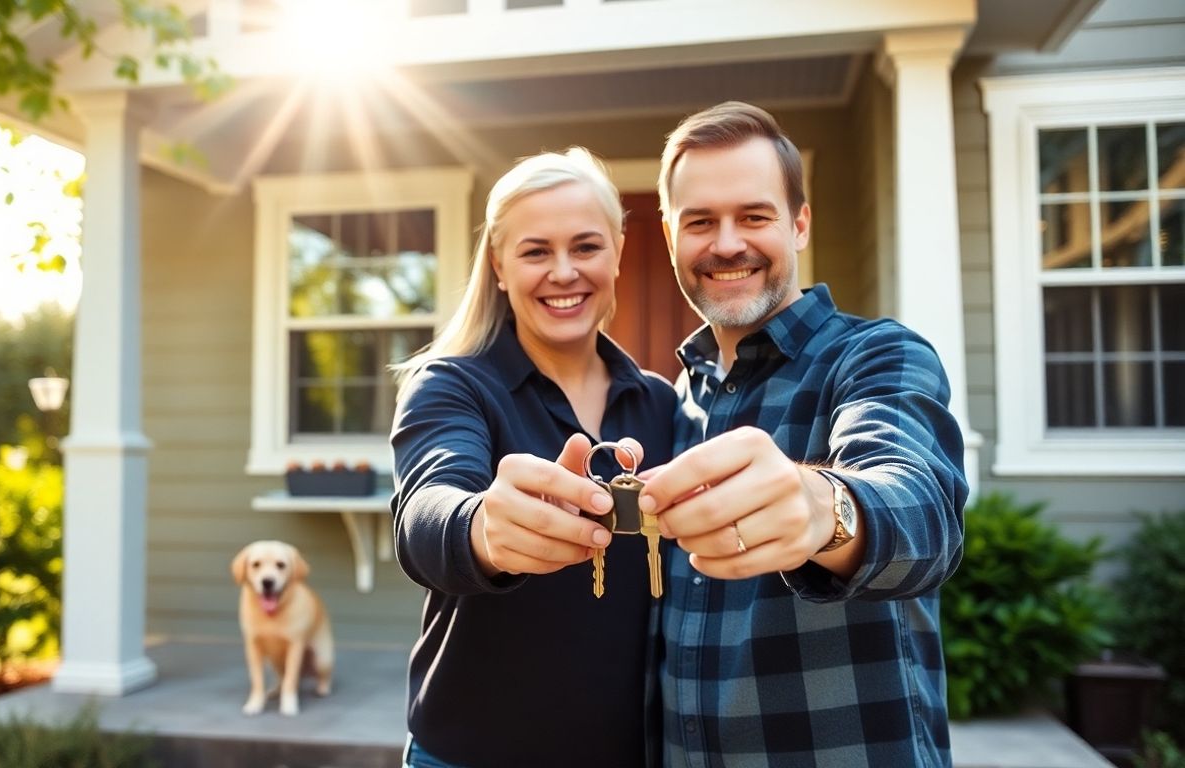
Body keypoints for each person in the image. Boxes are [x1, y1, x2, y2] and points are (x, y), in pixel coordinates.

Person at [637, 101, 968, 766]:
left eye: (754, 216)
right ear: (672, 234)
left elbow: (922, 510)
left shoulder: (876, 356)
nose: (727, 243)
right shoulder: (674, 401)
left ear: (800, 225)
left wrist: (827, 509)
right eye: (700, 221)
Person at [390, 147, 676, 768]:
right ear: (499, 265)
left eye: (586, 247)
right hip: (471, 754)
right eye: (536, 251)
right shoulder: (450, 385)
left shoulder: (662, 403)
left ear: (619, 253)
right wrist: (483, 528)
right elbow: (426, 512)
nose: (564, 271)